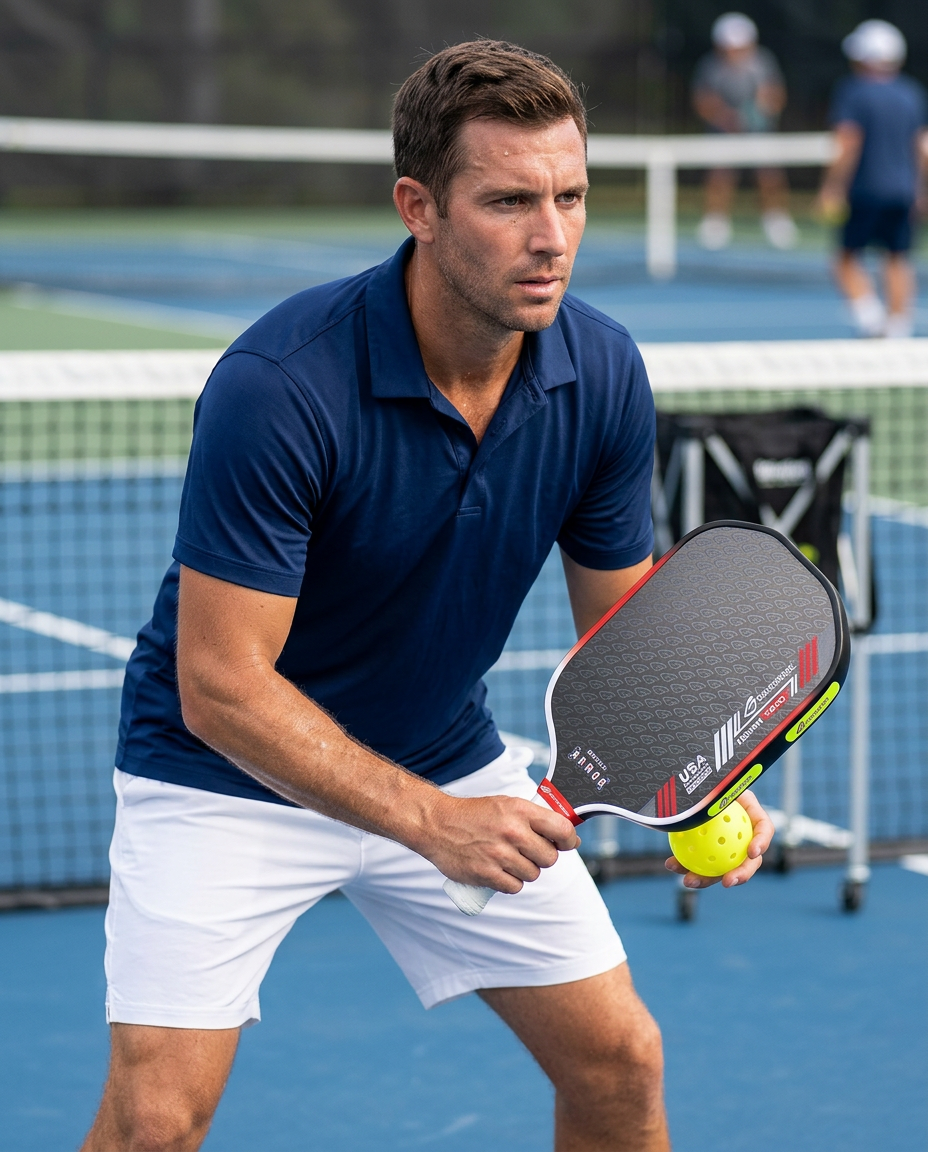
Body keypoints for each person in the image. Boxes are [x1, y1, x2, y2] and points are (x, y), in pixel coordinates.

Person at [80, 41, 773, 1152]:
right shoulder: (281, 388)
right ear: (420, 206)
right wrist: (430, 825)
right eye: (508, 201)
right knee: (155, 1123)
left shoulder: (600, 373)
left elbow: (621, 627)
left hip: (444, 755)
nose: (551, 236)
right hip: (223, 775)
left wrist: (698, 770)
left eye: (569, 195)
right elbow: (218, 688)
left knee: (620, 1062)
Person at [818, 20, 927, 339]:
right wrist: (919, 188)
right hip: (904, 192)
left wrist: (832, 186)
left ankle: (872, 322)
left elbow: (849, 141)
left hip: (866, 191)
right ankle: (899, 329)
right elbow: (921, 146)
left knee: (844, 259)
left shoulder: (853, 90)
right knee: (897, 258)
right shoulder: (912, 93)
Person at [692, 11, 798, 250]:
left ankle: (776, 220)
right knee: (720, 175)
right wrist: (725, 118)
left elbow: (776, 96)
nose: (733, 51)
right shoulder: (710, 66)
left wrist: (762, 109)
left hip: (760, 132)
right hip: (722, 133)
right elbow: (703, 101)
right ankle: (715, 222)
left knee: (769, 174)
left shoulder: (764, 61)